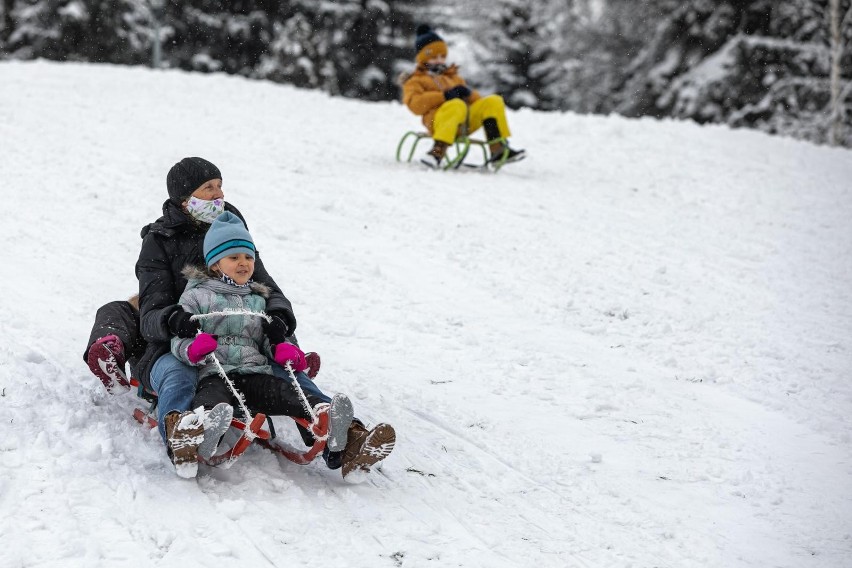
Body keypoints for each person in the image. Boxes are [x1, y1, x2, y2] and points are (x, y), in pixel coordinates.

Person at [85, 156, 394, 479]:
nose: (218, 195)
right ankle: (184, 433)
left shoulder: (233, 232)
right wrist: (176, 321)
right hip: (186, 340)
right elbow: (151, 312)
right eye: (209, 189)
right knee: (182, 376)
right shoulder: (160, 241)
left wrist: (280, 322)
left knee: (284, 370)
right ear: (185, 198)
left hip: (243, 337)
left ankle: (345, 436)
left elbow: (267, 290)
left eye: (220, 186)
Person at [164, 212, 389, 480]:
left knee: (289, 393)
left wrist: (281, 347)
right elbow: (178, 339)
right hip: (216, 373)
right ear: (214, 264)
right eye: (233, 257)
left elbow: (269, 339)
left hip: (255, 373)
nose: (243, 263)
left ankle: (325, 418)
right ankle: (200, 434)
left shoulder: (258, 300)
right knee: (212, 403)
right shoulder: (196, 296)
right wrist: (192, 349)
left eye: (248, 257)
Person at [400, 24, 525, 169]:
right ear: (423, 58)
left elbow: (479, 104)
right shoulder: (415, 80)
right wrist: (444, 96)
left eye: (442, 56)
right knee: (456, 104)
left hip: (462, 124)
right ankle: (437, 151)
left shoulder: (452, 78)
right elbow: (415, 105)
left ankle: (497, 148)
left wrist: (469, 93)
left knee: (493, 101)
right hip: (437, 122)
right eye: (434, 57)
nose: (439, 60)